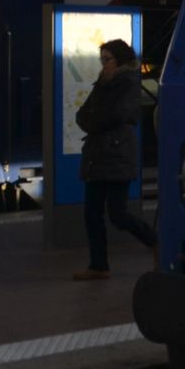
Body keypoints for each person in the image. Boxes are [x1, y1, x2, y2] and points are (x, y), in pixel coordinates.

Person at [72, 38, 156, 279]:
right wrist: (96, 120)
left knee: (118, 214)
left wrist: (95, 120)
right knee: (92, 212)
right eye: (102, 60)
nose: (104, 65)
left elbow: (117, 115)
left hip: (117, 154)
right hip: (98, 155)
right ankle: (98, 265)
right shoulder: (102, 83)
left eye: (107, 60)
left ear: (120, 59)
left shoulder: (128, 82)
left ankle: (155, 241)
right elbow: (82, 115)